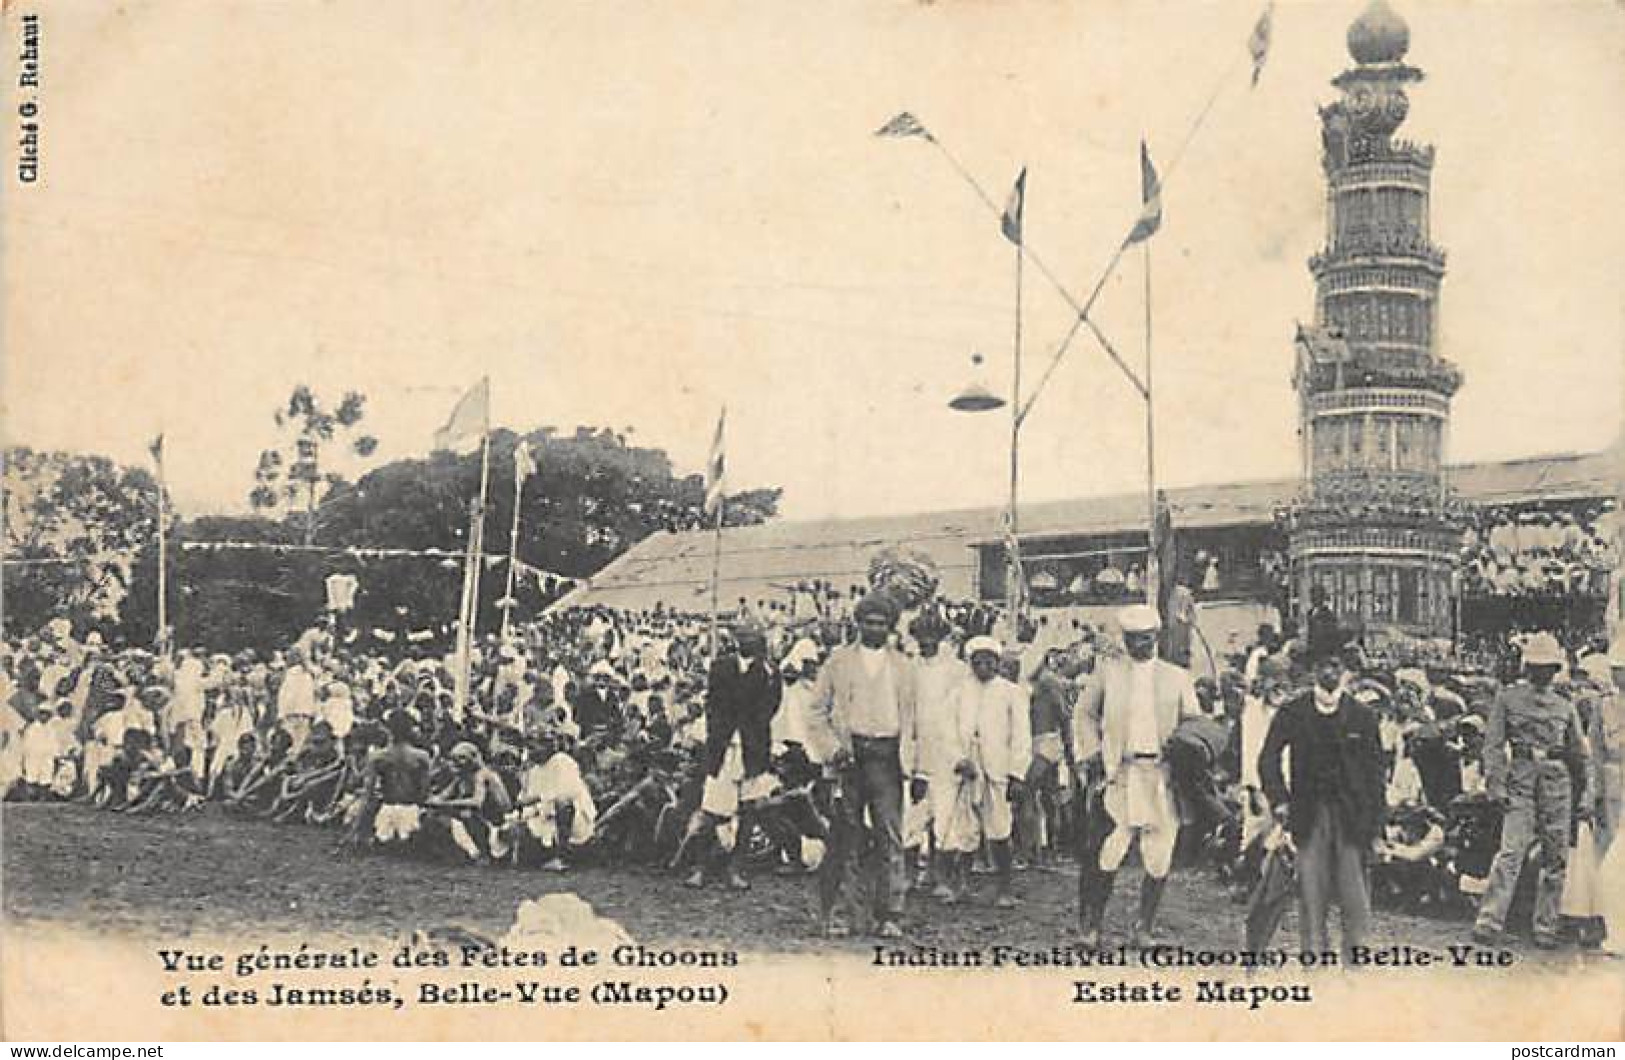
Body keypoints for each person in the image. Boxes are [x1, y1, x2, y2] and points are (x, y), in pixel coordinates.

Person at [1073, 604, 1202, 949]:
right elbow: (1083, 714)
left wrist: (1186, 754)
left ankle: (1143, 927)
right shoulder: (1108, 673)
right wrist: (1092, 753)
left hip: (1161, 775)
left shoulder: (1176, 677)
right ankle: (1091, 926)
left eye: (1144, 639)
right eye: (1131, 640)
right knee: (1108, 851)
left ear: (1155, 637)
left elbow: (1194, 723)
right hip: (1121, 773)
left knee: (1159, 854)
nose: (1138, 646)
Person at [1259, 645, 1387, 962]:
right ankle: (1314, 966)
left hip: (1351, 818)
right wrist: (1279, 800)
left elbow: (1376, 774)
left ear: (1345, 669)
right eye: (1322, 665)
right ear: (1313, 670)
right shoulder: (1294, 711)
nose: (1329, 672)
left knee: (1354, 898)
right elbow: (1268, 758)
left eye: (1335, 665)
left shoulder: (1362, 715)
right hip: (1308, 815)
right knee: (1311, 896)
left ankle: (1355, 973)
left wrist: (1376, 826)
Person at [805, 592, 919, 939]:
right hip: (849, 757)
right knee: (846, 836)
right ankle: (844, 913)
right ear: (858, 624)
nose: (875, 628)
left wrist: (919, 769)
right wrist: (832, 749)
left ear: (890, 627)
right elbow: (816, 713)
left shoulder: (903, 666)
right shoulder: (838, 662)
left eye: (881, 623)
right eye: (868, 622)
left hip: (887, 757)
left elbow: (916, 721)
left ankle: (891, 913)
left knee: (890, 836)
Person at [1471, 632, 1594, 948]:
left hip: (1556, 781)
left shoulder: (1565, 706)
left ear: (1555, 670)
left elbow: (1581, 754)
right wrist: (1496, 784)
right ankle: (1490, 919)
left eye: (1548, 667)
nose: (1542, 673)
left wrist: (1587, 793)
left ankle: (1546, 925)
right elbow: (1493, 746)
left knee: (1556, 856)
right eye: (1536, 667)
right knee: (1511, 851)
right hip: (1521, 778)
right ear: (1527, 668)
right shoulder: (1507, 699)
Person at [939, 636, 1031, 907]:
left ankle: (1005, 888)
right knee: (965, 827)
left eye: (989, 661)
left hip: (998, 769)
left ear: (998, 663)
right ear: (970, 663)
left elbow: (1021, 737)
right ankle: (962, 885)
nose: (983, 667)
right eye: (977, 661)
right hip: (968, 769)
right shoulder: (958, 693)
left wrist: (1017, 773)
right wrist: (959, 758)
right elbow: (946, 730)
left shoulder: (1012, 693)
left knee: (1000, 828)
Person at [904, 610, 965, 895]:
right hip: (916, 750)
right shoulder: (909, 668)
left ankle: (941, 877)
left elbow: (960, 715)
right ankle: (911, 874)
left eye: (932, 639)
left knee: (945, 815)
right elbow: (906, 715)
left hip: (947, 752)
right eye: (921, 640)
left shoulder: (956, 670)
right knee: (914, 815)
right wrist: (911, 760)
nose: (926, 644)